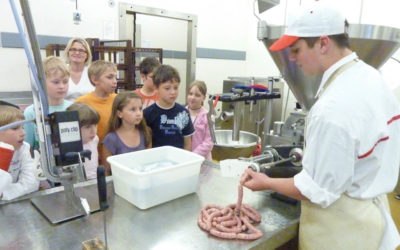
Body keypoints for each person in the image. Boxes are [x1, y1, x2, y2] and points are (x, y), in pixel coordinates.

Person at [240, 3, 400, 250]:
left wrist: (266, 182)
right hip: (368, 217)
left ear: (324, 43)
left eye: (296, 49)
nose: (292, 59)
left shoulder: (334, 107)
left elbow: (317, 190)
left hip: (341, 232)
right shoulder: (371, 78)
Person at [24, 56, 72, 150]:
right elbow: (27, 147)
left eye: (65, 82)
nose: (62, 86)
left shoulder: (73, 107)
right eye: (56, 82)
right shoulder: (32, 112)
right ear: (41, 83)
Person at [143, 65, 194, 150]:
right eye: (167, 88)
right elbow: (145, 143)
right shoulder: (147, 113)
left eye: (176, 88)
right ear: (156, 88)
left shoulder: (183, 112)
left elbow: (187, 143)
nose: (173, 92)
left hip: (178, 160)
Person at [101, 92, 152, 174]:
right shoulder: (110, 139)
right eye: (133, 109)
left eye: (140, 108)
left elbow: (149, 164)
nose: (139, 113)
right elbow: (107, 172)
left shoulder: (146, 133)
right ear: (119, 113)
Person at [0, 105, 39, 200]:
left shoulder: (23, 148)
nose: (23, 133)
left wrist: (3, 195)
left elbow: (31, 183)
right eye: (15, 128)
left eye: (23, 127)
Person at [75, 60, 117, 146]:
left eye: (115, 77)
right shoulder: (81, 102)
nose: (115, 81)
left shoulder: (118, 100)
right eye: (109, 77)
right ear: (94, 79)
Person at [66, 102, 100, 180]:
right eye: (88, 127)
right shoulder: (67, 147)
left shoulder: (94, 139)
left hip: (94, 180)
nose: (93, 131)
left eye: (95, 125)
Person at [186, 80, 213, 160]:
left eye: (197, 95)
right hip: (184, 158)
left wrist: (193, 155)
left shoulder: (209, 117)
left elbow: (209, 143)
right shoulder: (181, 113)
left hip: (202, 161)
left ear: (203, 97)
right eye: (190, 94)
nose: (193, 98)